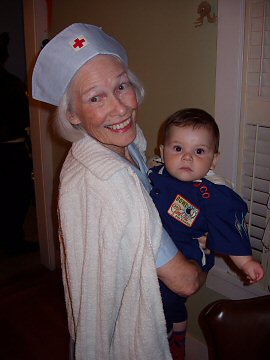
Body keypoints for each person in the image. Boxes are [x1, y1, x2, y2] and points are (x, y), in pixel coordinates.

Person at [31, 24, 207, 360]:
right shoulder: (111, 181)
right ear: (72, 115)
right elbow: (185, 282)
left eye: (121, 86)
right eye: (96, 97)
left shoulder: (126, 144)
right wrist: (206, 256)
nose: (121, 108)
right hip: (125, 336)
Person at [148, 108, 264, 359]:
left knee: (166, 292)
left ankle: (167, 333)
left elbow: (230, 229)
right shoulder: (154, 175)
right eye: (177, 148)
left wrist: (246, 262)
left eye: (199, 151)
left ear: (213, 160)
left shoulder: (213, 195)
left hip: (188, 248)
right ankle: (179, 329)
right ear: (162, 152)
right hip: (156, 242)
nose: (187, 158)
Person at [0, 32, 35, 255]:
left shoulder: (12, 83)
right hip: (10, 149)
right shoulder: (11, 84)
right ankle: (12, 240)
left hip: (10, 147)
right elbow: (24, 117)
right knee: (16, 196)